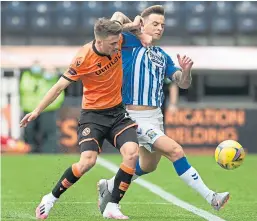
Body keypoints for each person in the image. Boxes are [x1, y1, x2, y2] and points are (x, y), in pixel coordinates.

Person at [97, 5, 230, 214]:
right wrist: (136, 28)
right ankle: (211, 197)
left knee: (149, 165)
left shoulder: (161, 55)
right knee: (175, 150)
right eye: (155, 24)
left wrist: (186, 72)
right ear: (143, 23)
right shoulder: (126, 42)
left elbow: (182, 83)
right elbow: (112, 22)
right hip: (132, 116)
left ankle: (110, 184)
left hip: (155, 116)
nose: (160, 28)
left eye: (162, 25)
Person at [20, 18, 144, 220]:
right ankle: (50, 198)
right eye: (113, 44)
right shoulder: (83, 58)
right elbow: (59, 87)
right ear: (100, 41)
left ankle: (112, 205)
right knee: (87, 162)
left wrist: (130, 26)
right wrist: (36, 111)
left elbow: (119, 17)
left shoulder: (117, 39)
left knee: (131, 153)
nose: (117, 46)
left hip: (118, 113)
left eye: (118, 41)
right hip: (93, 116)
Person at [20, 61, 65, 153]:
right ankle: (31, 152)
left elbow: (58, 85)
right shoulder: (27, 76)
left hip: (47, 109)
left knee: (48, 131)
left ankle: (49, 152)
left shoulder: (48, 76)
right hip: (30, 108)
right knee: (29, 132)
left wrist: (51, 71)